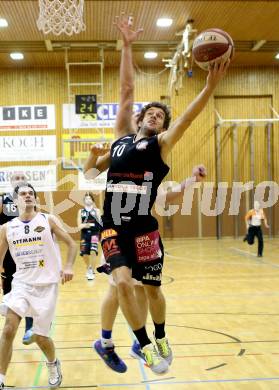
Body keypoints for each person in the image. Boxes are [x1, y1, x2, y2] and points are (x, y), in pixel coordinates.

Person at [85, 13, 228, 375]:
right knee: (120, 284)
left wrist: (209, 88)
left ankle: (161, 336)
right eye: (149, 113)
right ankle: (146, 347)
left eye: (159, 116)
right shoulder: (119, 139)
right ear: (138, 119)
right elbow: (126, 93)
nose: (154, 117)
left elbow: (187, 120)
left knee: (152, 290)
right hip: (113, 226)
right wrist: (128, 46)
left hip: (145, 228)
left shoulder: (161, 146)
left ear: (162, 126)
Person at [92, 163, 206, 373]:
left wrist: (191, 181)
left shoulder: (149, 167)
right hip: (117, 233)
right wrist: (94, 156)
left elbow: (162, 198)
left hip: (142, 235)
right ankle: (105, 342)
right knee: (117, 288)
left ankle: (139, 343)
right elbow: (90, 172)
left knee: (143, 287)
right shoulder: (121, 159)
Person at [0, 183, 77, 388]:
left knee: (41, 338)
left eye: (31, 193)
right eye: (23, 194)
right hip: (22, 284)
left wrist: (68, 266)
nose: (27, 196)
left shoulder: (47, 219)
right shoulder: (7, 228)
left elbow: (72, 244)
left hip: (47, 286)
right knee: (8, 329)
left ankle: (52, 363)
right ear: (15, 200)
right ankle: (0, 379)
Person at [0, 172, 34, 345]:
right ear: (10, 182)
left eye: (22, 178)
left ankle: (30, 327)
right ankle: (9, 325)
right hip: (8, 251)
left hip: (26, 249)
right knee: (8, 287)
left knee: (28, 286)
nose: (19, 181)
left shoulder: (29, 199)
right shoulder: (3, 200)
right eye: (16, 178)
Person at [77, 192, 101, 280]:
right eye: (86, 198)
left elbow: (100, 223)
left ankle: (92, 270)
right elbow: (79, 226)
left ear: (93, 200)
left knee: (93, 251)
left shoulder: (97, 211)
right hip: (84, 235)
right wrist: (84, 225)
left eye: (90, 198)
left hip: (94, 234)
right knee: (84, 253)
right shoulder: (81, 211)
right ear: (84, 201)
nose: (88, 200)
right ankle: (88, 267)